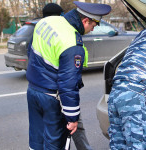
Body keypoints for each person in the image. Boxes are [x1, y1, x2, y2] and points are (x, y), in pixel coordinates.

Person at [26, 1, 111, 150]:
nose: (93, 29)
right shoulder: (71, 42)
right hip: (52, 99)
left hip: (33, 91)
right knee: (55, 144)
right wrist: (72, 118)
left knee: (36, 140)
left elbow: (30, 52)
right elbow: (68, 84)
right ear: (85, 20)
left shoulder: (46, 22)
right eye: (94, 25)